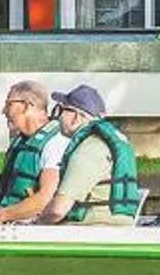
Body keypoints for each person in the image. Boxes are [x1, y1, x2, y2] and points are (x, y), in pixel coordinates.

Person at [44, 84, 141, 225]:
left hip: (90, 231)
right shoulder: (104, 143)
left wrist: (36, 224)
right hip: (115, 229)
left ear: (76, 117)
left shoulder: (89, 149)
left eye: (62, 110)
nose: (58, 116)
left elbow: (57, 211)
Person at [0, 80, 68, 224]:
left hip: (32, 231)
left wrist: (4, 215)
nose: (3, 111)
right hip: (6, 225)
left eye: (9, 104)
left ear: (26, 105)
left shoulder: (55, 142)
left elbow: (46, 198)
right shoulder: (20, 142)